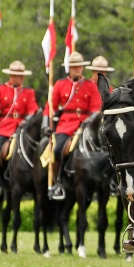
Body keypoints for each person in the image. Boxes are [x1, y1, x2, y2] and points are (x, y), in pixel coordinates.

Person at [46, 52, 102, 200]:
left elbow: (96, 108)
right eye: (74, 67)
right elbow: (50, 106)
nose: (77, 69)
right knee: (58, 149)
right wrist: (48, 124)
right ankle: (58, 182)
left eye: (79, 67)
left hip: (85, 125)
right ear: (69, 68)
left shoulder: (90, 86)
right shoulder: (60, 84)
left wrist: (88, 122)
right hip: (65, 124)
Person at [0, 61, 40, 196]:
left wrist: (26, 120)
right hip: (4, 128)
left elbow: (33, 109)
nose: (21, 78)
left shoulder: (28, 92)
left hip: (22, 129)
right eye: (18, 75)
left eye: (22, 75)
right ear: (11, 76)